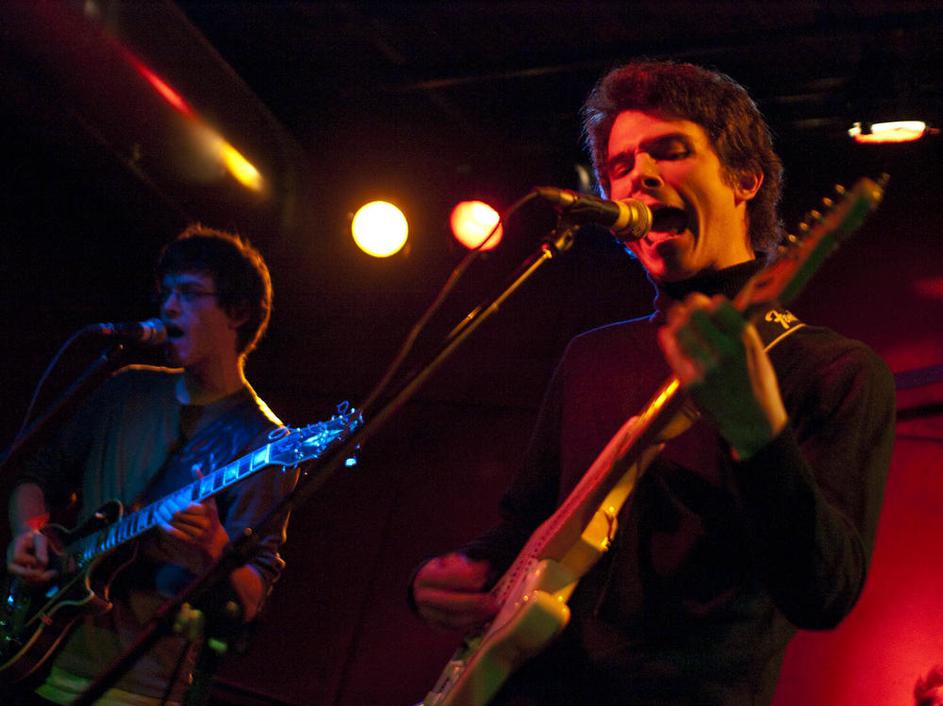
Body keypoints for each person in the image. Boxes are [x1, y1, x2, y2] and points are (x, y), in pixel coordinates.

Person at [410, 61, 896, 706]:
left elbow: (824, 593)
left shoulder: (832, 370)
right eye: (620, 164)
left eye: (670, 151)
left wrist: (757, 434)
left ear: (744, 178)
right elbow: (529, 527)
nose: (639, 175)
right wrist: (457, 575)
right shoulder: (592, 356)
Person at [5, 225, 296, 705]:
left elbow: (251, 598)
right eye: (166, 293)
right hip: (39, 652)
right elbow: (38, 476)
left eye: (189, 293)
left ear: (239, 312)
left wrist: (215, 546)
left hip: (135, 687)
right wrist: (29, 533)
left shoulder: (265, 442)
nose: (169, 307)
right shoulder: (126, 388)